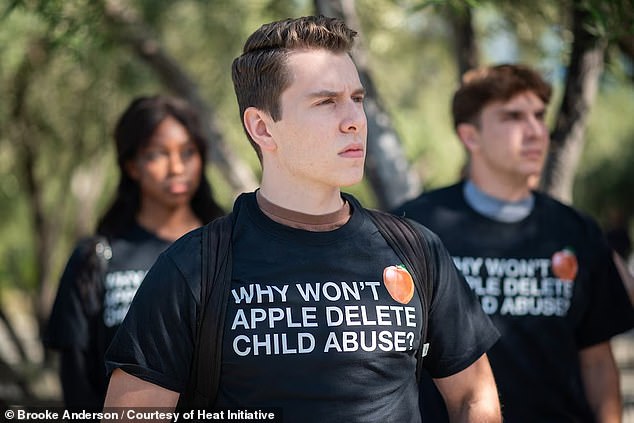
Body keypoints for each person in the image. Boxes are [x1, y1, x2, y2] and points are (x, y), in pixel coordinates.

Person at [102, 16, 502, 422]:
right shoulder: (193, 266)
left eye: (358, 99)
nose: (354, 120)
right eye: (326, 102)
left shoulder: (416, 250)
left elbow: (474, 395)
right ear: (262, 127)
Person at [393, 63, 634, 422]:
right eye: (514, 117)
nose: (537, 131)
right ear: (470, 136)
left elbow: (597, 361)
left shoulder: (576, 230)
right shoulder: (415, 226)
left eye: (539, 115)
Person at [44, 95, 224, 411]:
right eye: (157, 154)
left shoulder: (229, 248)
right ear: (132, 165)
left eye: (188, 152)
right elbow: (77, 383)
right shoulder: (96, 258)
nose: (177, 167)